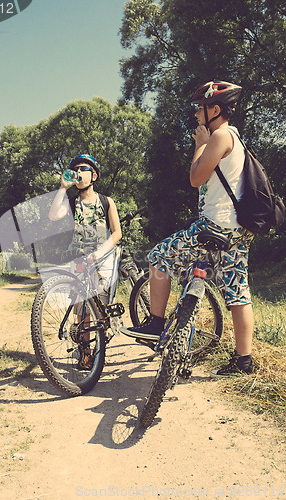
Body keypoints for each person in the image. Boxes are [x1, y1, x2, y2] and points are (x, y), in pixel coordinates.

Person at [120, 80, 255, 377]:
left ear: (214, 109)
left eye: (200, 107)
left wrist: (199, 145)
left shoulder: (219, 136)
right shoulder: (236, 138)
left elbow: (195, 178)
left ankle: (155, 323)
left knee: (159, 258)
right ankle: (243, 361)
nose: (196, 113)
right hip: (237, 230)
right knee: (237, 292)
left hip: (215, 224)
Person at [49, 154, 122, 368]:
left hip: (103, 259)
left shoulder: (106, 201)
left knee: (101, 307)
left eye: (83, 168)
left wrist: (100, 253)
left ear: (94, 175)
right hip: (79, 260)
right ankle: (85, 353)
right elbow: (53, 215)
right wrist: (63, 188)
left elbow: (117, 233)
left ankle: (100, 352)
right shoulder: (71, 203)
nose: (78, 172)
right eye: (75, 169)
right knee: (81, 310)